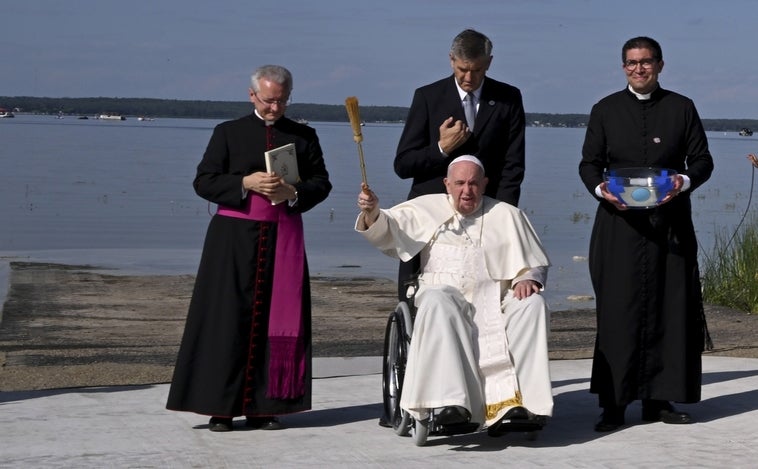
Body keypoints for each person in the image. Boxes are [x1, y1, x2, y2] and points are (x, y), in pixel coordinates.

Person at [166, 65, 332, 432]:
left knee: (278, 318)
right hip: (232, 239)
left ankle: (265, 408)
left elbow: (322, 183)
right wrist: (245, 181)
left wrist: (293, 193)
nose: (275, 108)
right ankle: (220, 409)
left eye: (282, 100)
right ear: (252, 95)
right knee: (224, 320)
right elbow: (203, 180)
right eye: (269, 100)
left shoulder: (304, 136)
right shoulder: (227, 133)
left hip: (282, 236)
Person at [356, 155, 552, 435]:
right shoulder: (425, 208)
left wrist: (527, 278)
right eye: (459, 183)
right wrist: (372, 210)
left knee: (532, 305)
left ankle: (523, 405)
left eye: (473, 183)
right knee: (438, 301)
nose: (467, 190)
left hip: (495, 300)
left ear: (485, 184)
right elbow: (386, 227)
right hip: (443, 295)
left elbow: (534, 263)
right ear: (447, 184)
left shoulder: (508, 215)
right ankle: (451, 403)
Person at [579, 37, 714, 432]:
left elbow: (703, 160)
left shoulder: (681, 107)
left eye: (646, 62)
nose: (639, 69)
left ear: (660, 64)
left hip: (669, 224)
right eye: (631, 63)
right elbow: (589, 164)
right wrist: (601, 190)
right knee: (618, 312)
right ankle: (614, 405)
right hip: (618, 226)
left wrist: (683, 180)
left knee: (671, 311)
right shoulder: (604, 109)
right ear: (623, 67)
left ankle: (661, 400)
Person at [393, 28, 527, 302]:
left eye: (477, 70)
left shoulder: (509, 97)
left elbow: (513, 166)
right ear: (451, 60)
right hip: (429, 212)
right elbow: (403, 165)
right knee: (414, 297)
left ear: (489, 63)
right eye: (463, 69)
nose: (468, 77)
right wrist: (442, 148)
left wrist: (504, 217)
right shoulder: (428, 97)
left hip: (486, 210)